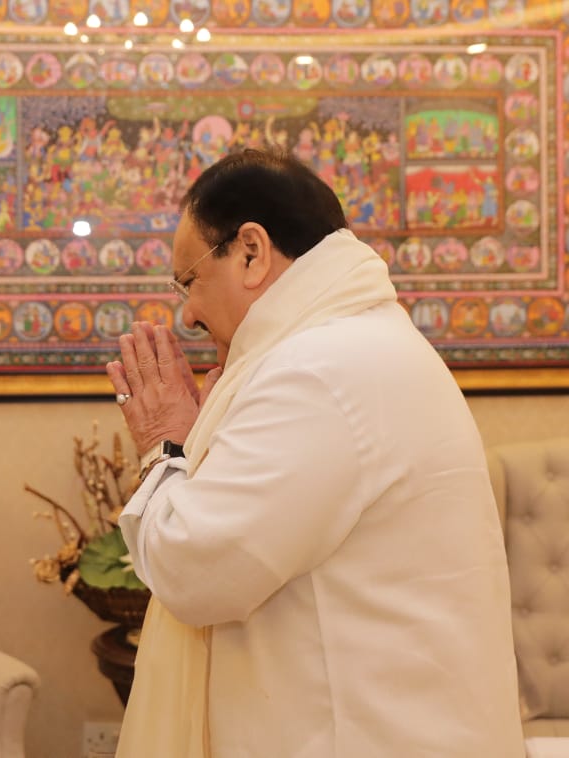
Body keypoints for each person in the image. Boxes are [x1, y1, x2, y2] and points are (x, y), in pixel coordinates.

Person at [106, 149, 524, 757]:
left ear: (250, 252)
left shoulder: (317, 370)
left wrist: (165, 445)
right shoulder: (352, 343)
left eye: (190, 280)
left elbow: (198, 571)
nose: (188, 313)